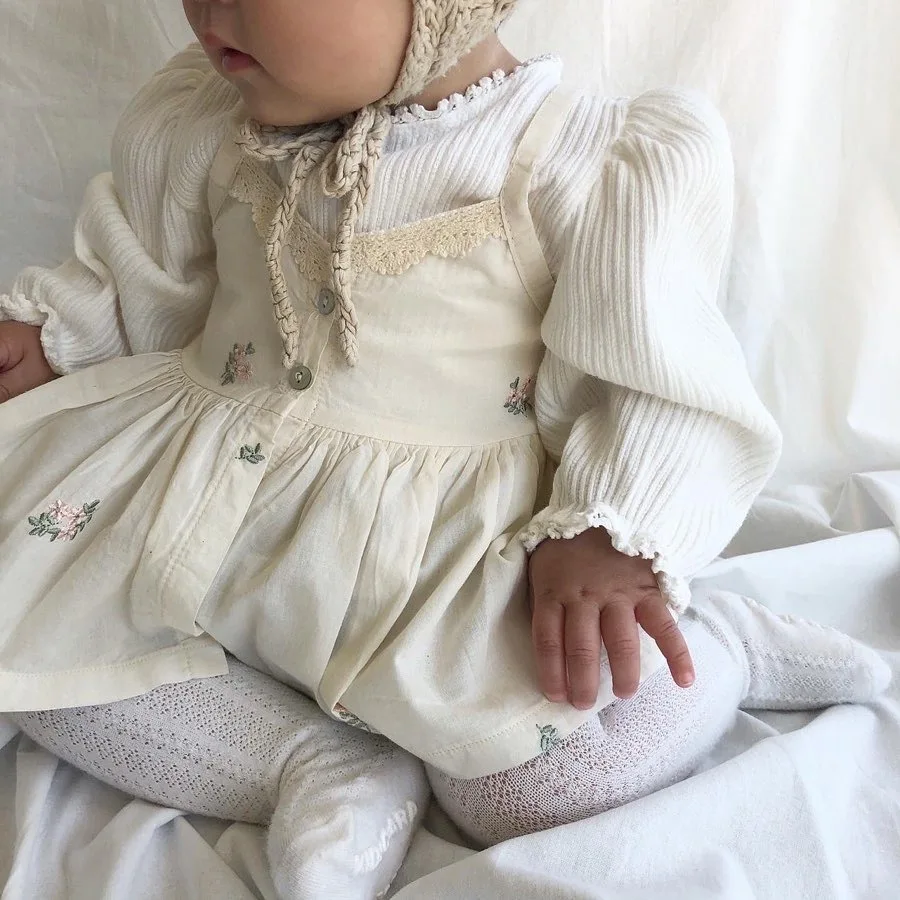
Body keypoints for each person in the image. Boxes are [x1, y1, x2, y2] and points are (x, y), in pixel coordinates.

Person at [0, 1, 890, 897]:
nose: (207, 9)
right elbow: (150, 276)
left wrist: (611, 528)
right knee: (32, 638)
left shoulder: (576, 158)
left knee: (535, 791)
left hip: (439, 563)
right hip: (207, 499)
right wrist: (60, 335)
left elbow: (653, 378)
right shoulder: (206, 114)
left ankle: (722, 650)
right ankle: (308, 761)